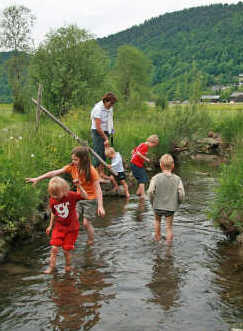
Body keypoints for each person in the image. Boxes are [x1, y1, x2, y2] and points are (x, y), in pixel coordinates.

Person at [26, 146, 105, 245]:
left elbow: (98, 189)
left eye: (76, 159)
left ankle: (91, 241)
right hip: (78, 197)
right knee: (72, 218)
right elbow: (54, 172)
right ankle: (69, 239)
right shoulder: (72, 167)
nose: (73, 161)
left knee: (86, 223)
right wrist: (38, 178)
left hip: (91, 199)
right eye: (72, 159)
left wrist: (100, 206)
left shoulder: (92, 171)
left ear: (84, 159)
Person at [45, 176, 88, 273]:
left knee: (66, 250)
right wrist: (50, 225)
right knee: (54, 248)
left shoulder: (71, 196)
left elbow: (85, 196)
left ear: (64, 190)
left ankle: (68, 266)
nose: (55, 197)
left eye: (57, 194)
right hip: (58, 227)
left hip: (72, 228)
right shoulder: (52, 200)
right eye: (53, 194)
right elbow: (53, 213)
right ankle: (52, 267)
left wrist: (79, 186)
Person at [147, 153, 185, 244]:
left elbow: (150, 191)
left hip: (157, 206)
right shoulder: (178, 179)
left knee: (157, 221)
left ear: (160, 165)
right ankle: (168, 248)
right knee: (169, 227)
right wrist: (178, 202)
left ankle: (157, 241)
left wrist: (152, 202)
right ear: (173, 165)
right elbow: (182, 193)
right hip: (171, 207)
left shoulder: (155, 178)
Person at [90, 92, 118, 181]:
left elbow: (110, 120)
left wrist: (111, 131)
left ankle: (101, 173)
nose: (111, 106)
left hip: (106, 131)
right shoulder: (98, 109)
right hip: (98, 132)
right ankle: (96, 175)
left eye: (113, 104)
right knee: (98, 152)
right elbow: (98, 127)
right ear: (105, 101)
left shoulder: (110, 108)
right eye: (110, 103)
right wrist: (105, 138)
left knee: (104, 153)